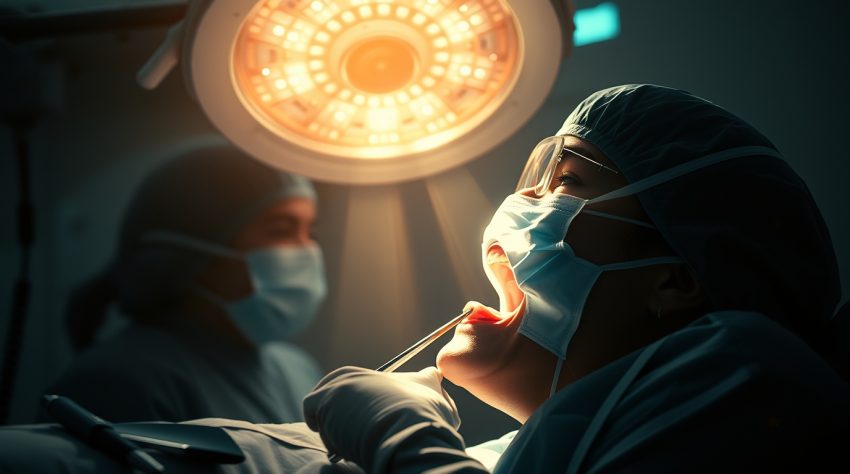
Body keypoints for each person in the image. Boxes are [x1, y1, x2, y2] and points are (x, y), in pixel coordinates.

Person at [302, 84, 850, 473]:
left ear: (675, 281)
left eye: (567, 181)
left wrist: (403, 438)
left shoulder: (749, 377)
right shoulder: (507, 456)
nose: (521, 201)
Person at [45, 141, 328, 424]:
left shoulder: (296, 369)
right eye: (281, 230)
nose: (307, 250)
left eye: (310, 231)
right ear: (195, 253)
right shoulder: (116, 382)